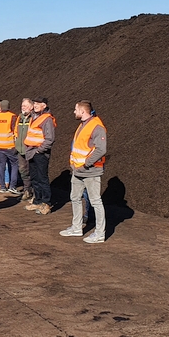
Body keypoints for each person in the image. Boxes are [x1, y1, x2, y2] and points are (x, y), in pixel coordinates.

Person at [60, 101, 107, 243]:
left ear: (82, 111)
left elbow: (101, 149)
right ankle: (76, 227)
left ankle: (100, 233)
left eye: (75, 109)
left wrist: (86, 163)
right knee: (74, 197)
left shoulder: (96, 126)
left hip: (90, 171)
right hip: (78, 170)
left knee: (95, 201)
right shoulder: (83, 124)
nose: (74, 112)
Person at [24, 97, 56, 215]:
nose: (35, 105)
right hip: (32, 151)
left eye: (38, 103)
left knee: (42, 178)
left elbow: (50, 138)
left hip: (39, 153)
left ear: (44, 105)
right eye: (34, 103)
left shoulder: (47, 119)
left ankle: (46, 203)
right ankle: (37, 200)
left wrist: (39, 150)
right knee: (34, 177)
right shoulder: (35, 116)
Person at [0, 99, 19, 194]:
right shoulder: (12, 116)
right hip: (10, 145)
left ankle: (2, 186)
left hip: (0, 145)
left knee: (2, 166)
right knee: (15, 165)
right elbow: (15, 131)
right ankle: (12, 186)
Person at [14, 98, 34, 201]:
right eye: (22, 106)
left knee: (32, 171)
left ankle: (34, 193)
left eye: (25, 106)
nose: (23, 108)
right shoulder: (20, 117)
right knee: (23, 170)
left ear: (31, 107)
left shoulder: (33, 118)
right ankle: (27, 190)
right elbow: (16, 131)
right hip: (20, 148)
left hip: (30, 149)